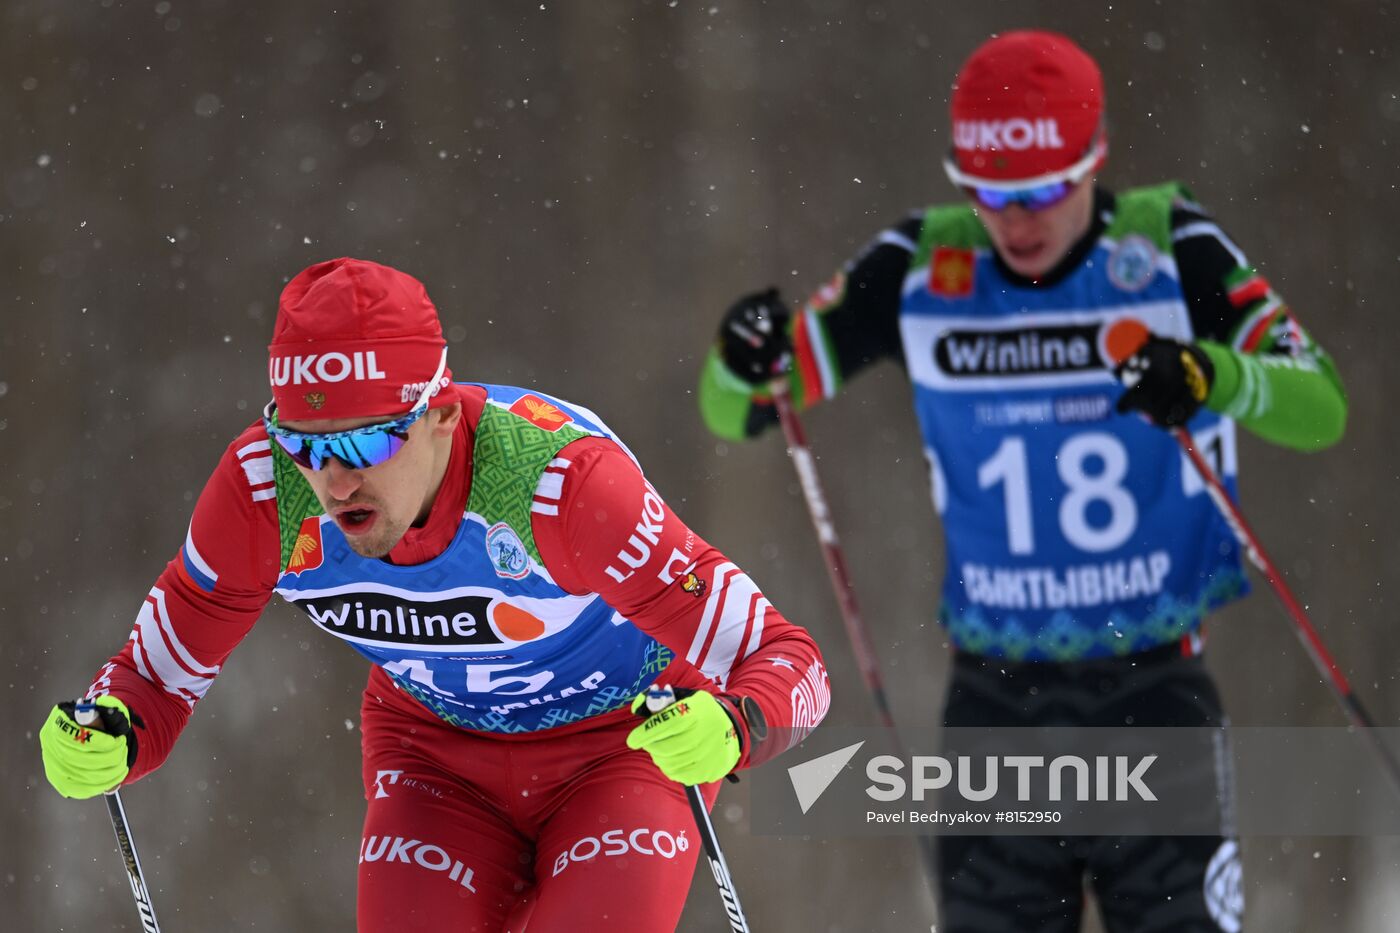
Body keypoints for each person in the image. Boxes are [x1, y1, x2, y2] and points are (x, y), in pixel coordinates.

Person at [698, 29, 1346, 933]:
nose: (1018, 222)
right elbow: (743, 407)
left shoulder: (1169, 245)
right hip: (996, 701)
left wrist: (1210, 374)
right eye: (990, 194)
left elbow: (1321, 405)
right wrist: (740, 356)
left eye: (1045, 190)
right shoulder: (922, 264)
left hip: (1151, 689)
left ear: (1097, 159)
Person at [39, 257, 832, 931]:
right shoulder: (264, 495)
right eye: (305, 443)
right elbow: (154, 677)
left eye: (366, 440)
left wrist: (735, 722)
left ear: (442, 417)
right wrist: (110, 728)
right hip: (436, 761)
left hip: (619, 749)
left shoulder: (560, 487)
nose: (335, 477)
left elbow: (791, 661)